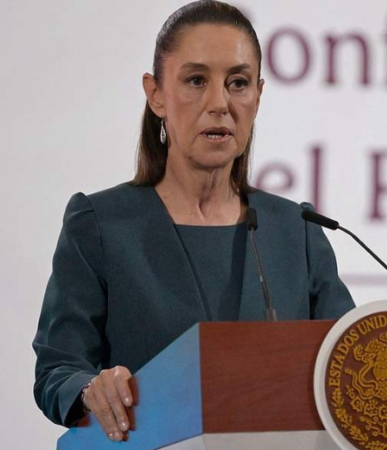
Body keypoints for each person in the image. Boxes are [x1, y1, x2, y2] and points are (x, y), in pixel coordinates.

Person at [32, 0, 354, 442]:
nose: (219, 103)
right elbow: (57, 370)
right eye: (196, 80)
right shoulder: (101, 225)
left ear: (258, 96)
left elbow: (351, 363)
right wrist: (91, 390)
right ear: (156, 94)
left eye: (238, 83)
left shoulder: (296, 230)